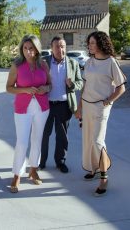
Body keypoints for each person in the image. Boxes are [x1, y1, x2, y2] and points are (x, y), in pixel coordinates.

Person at [75, 31, 126, 196]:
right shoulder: (89, 62)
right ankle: (93, 168)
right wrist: (79, 107)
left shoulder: (111, 62)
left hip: (101, 107)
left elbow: (121, 87)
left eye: (92, 43)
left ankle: (104, 178)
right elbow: (85, 87)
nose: (89, 46)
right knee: (89, 140)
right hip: (87, 106)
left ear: (101, 44)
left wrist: (109, 100)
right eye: (88, 43)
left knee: (97, 141)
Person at [6, 34, 51, 193]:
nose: (28, 51)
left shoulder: (44, 65)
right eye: (25, 48)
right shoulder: (16, 65)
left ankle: (33, 170)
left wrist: (45, 88)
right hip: (22, 108)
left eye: (31, 48)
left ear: (37, 49)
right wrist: (25, 89)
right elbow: (9, 88)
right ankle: (17, 174)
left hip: (42, 108)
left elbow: (50, 85)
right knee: (22, 142)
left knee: (37, 139)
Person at [39, 37, 83, 173]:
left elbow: (80, 82)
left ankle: (60, 162)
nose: (60, 49)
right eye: (57, 46)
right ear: (51, 48)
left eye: (63, 46)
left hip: (64, 105)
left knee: (62, 135)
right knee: (43, 134)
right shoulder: (43, 62)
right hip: (46, 105)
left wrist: (72, 84)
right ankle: (40, 162)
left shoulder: (73, 63)